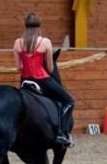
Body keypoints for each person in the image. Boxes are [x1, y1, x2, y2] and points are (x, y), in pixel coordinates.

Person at [13, 13, 73, 147]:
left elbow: (19, 67)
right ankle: (62, 133)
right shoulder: (45, 42)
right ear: (39, 26)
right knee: (69, 101)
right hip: (42, 80)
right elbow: (51, 69)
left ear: (25, 25)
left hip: (24, 81)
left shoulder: (17, 43)